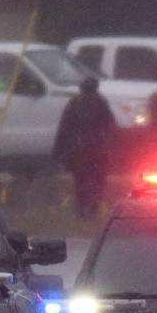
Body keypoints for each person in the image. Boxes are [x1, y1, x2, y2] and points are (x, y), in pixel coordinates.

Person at [52, 73, 118, 218]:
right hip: (96, 149)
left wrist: (58, 151)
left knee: (82, 181)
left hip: (80, 149)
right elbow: (111, 125)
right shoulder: (100, 102)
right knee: (96, 180)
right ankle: (91, 208)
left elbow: (64, 128)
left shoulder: (75, 103)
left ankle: (84, 209)